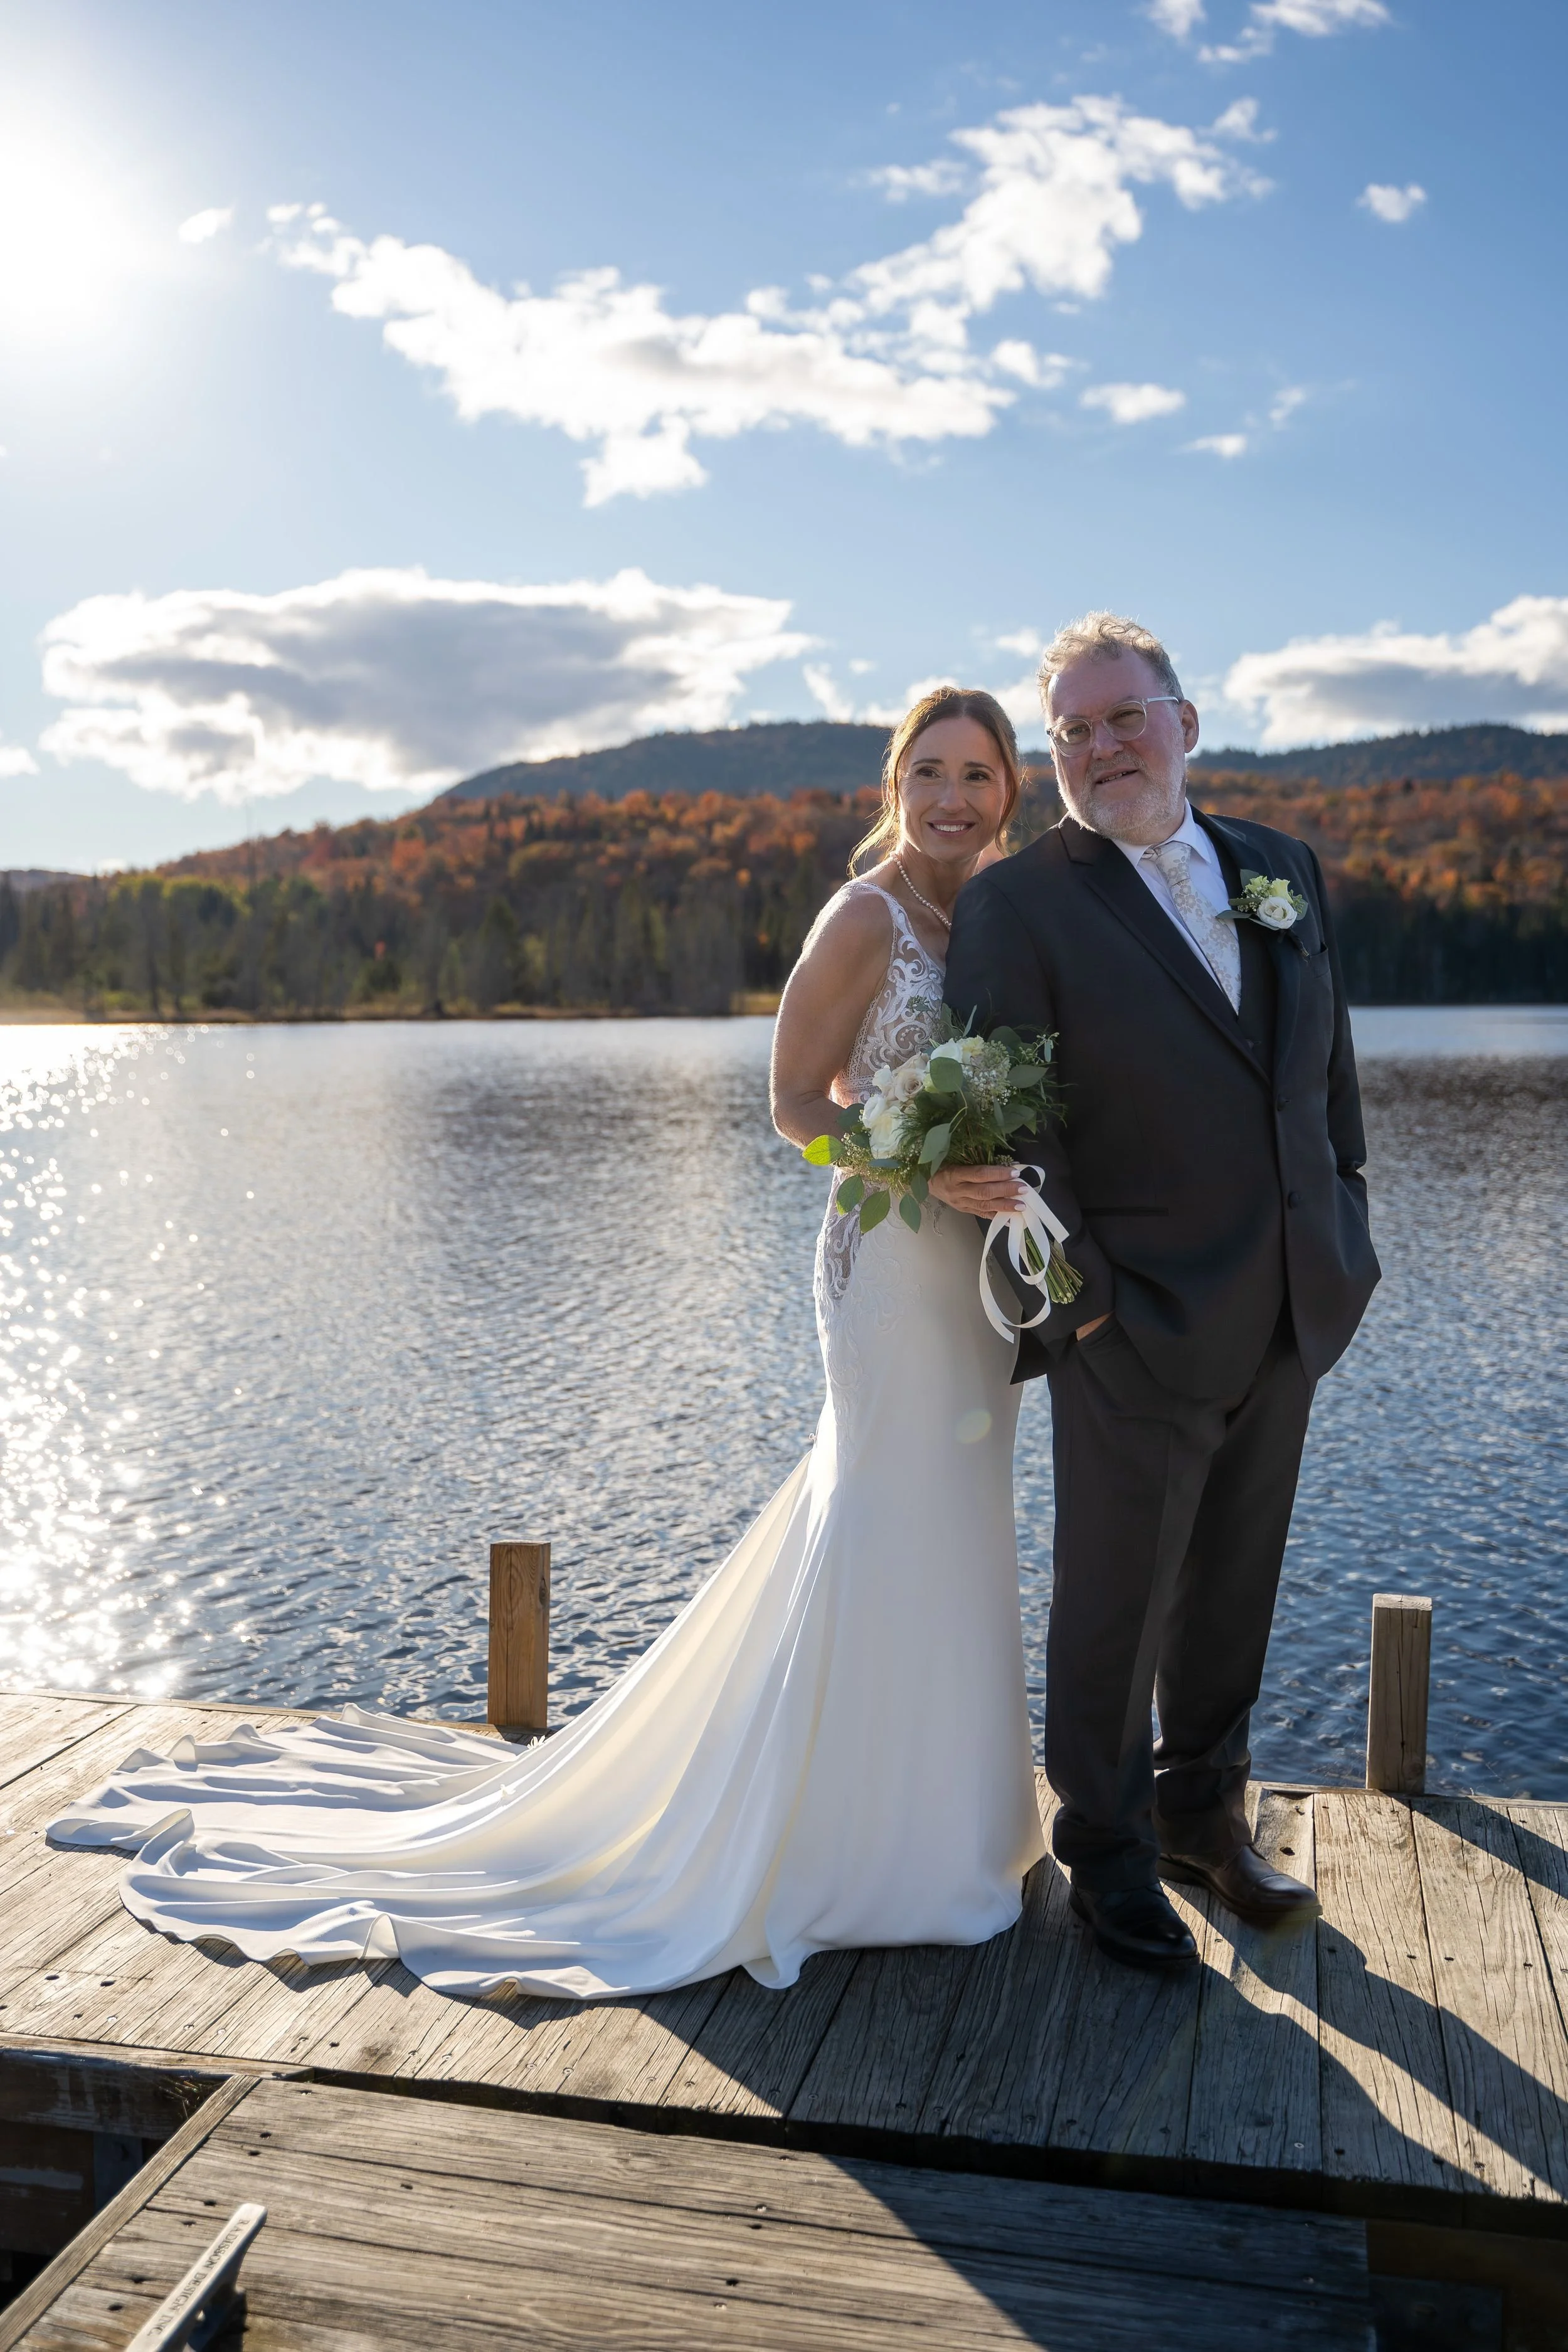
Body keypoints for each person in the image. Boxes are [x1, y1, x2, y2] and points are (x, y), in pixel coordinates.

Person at [50, 686, 1046, 2002]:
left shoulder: (1002, 912)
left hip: (972, 1278)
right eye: (928, 772)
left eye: (976, 775)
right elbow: (792, 1103)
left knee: (958, 1519)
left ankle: (951, 1828)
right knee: (878, 1512)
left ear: (1008, 795)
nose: (951, 799)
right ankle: (840, 1847)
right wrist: (912, 1166)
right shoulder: (862, 915)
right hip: (882, 1264)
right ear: (894, 784)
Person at [945, 613, 1380, 1976]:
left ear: (1183, 722)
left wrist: (1347, 1228)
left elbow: (1325, 1078)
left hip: (1293, 1303)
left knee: (1233, 1586)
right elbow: (1012, 1129)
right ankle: (1109, 1854)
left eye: (1120, 717)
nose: (1096, 749)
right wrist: (1084, 1313)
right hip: (1128, 1319)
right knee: (1110, 1604)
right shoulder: (1020, 903)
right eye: (1069, 733)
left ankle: (1205, 1819)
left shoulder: (1279, 870)